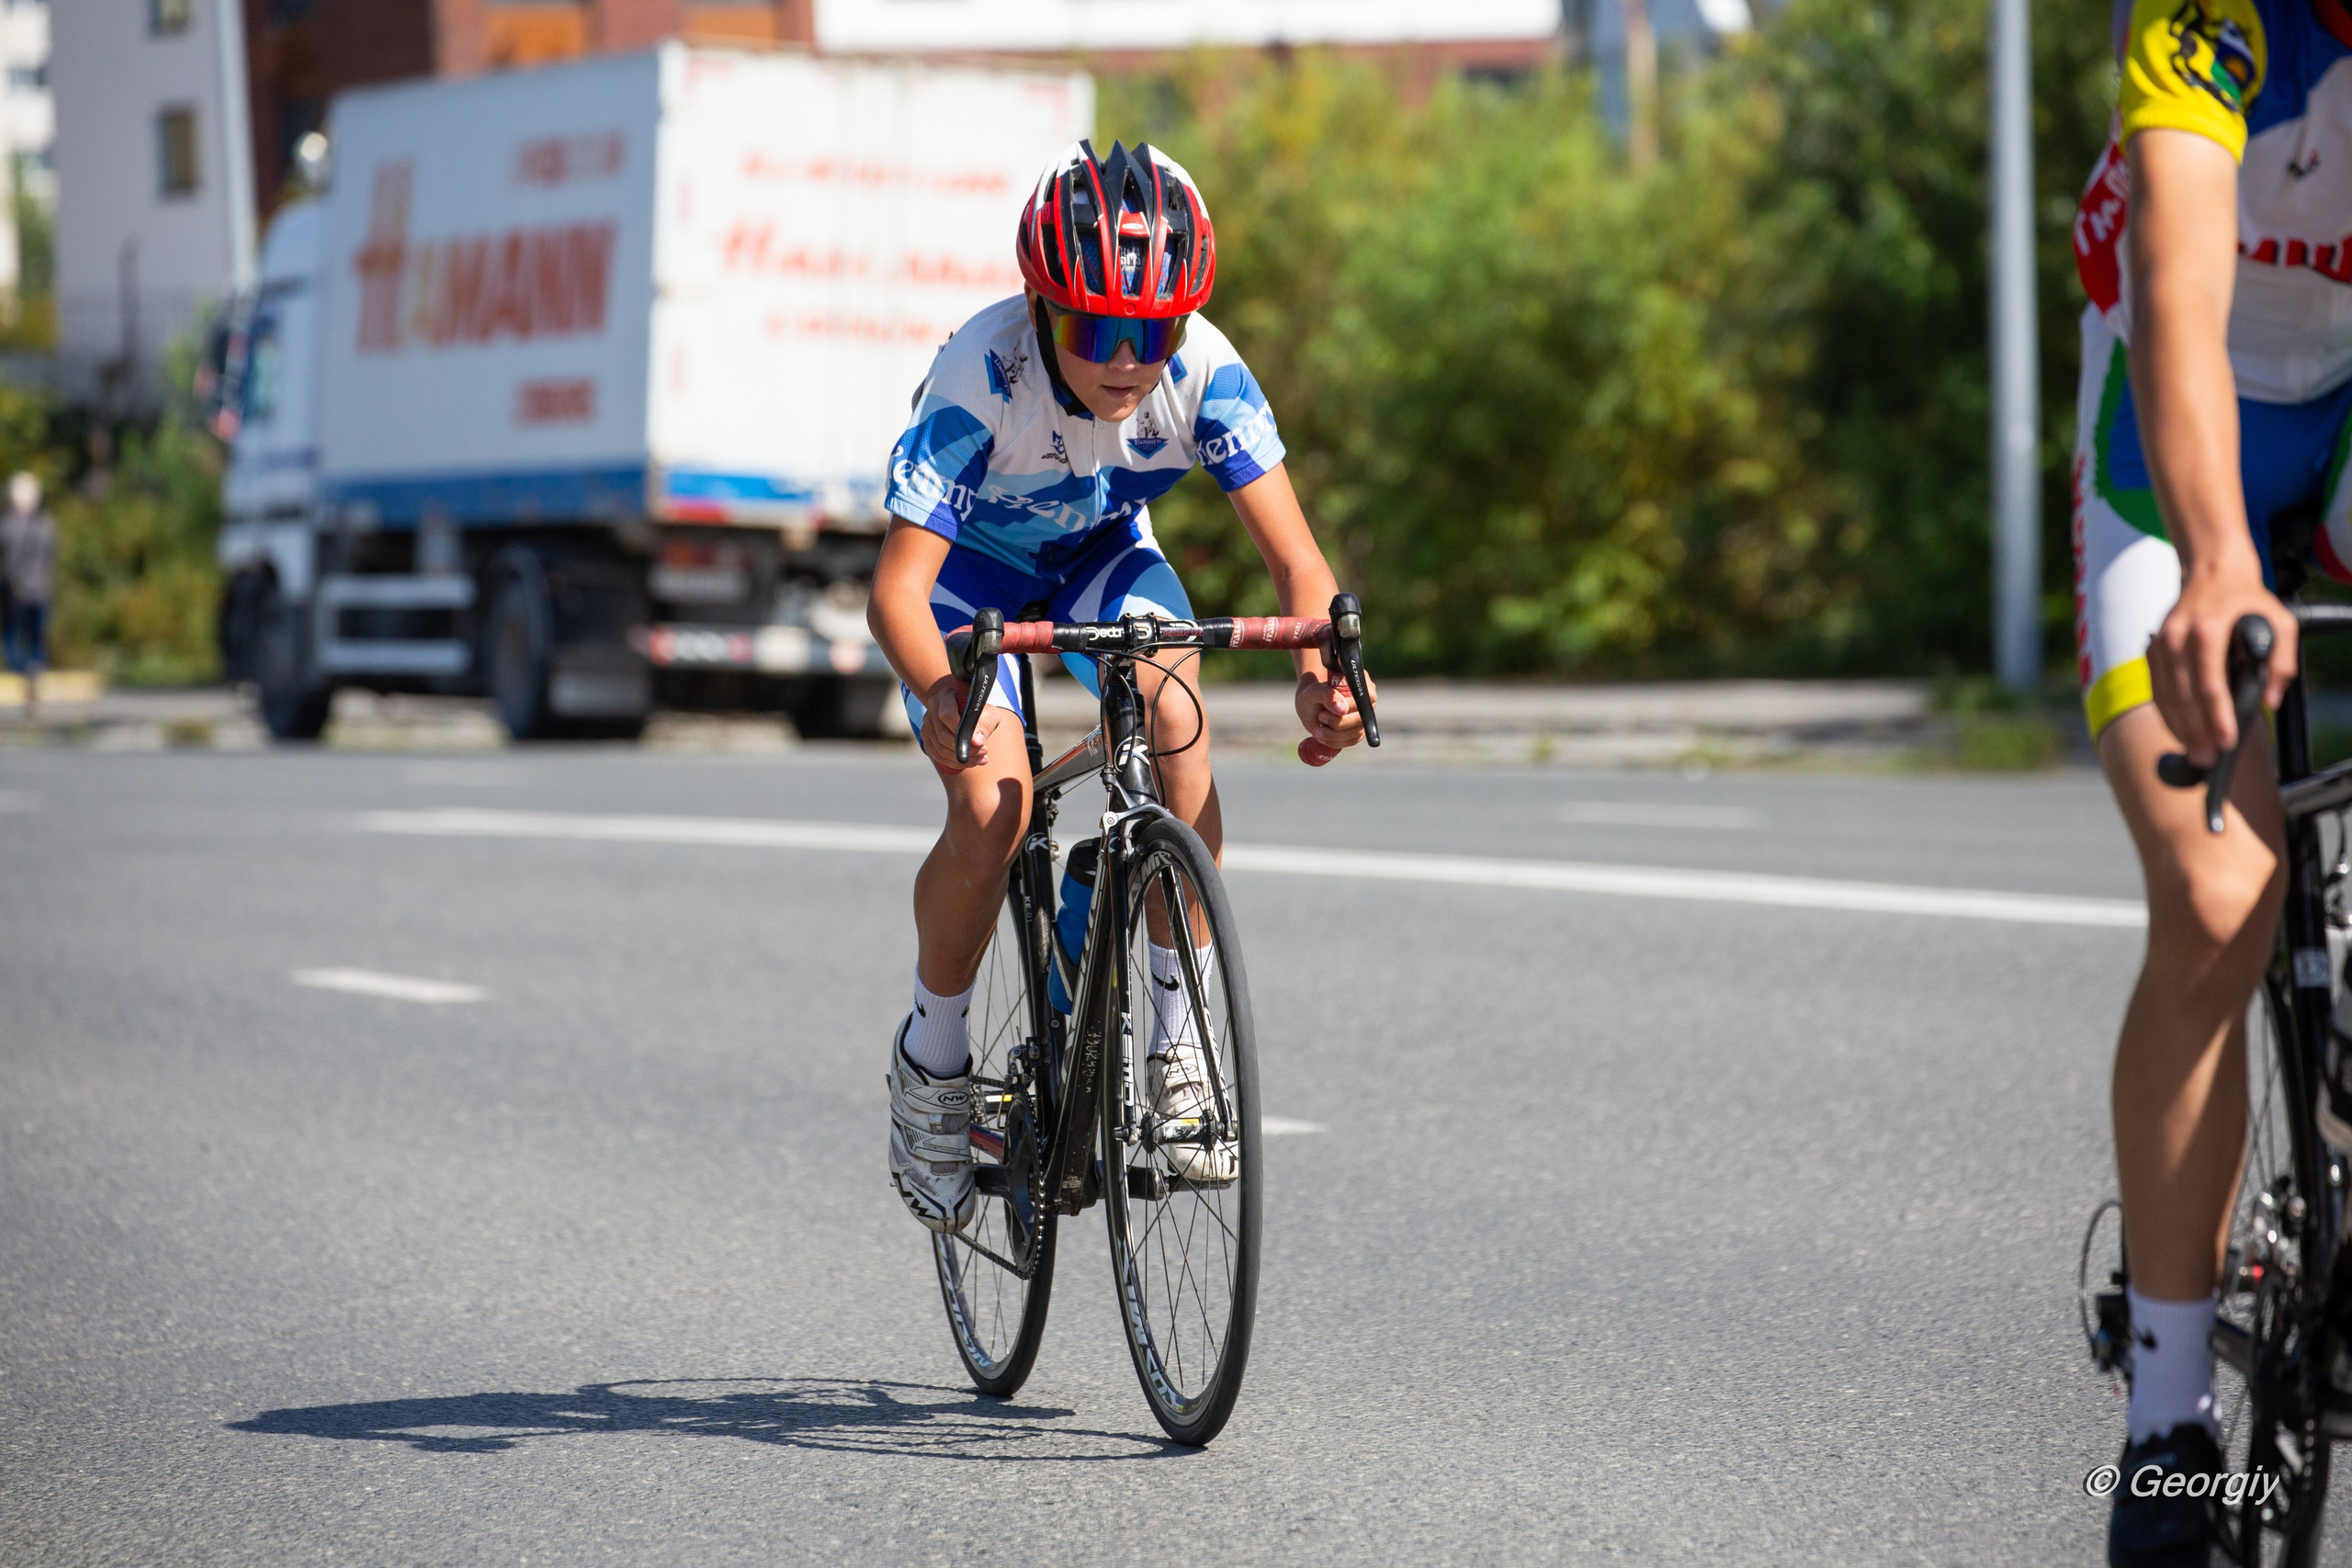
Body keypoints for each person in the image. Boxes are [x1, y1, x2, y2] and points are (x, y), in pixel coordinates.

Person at [867, 141, 1374, 1233]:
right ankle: (933, 1061)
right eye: (1095, 330)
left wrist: (1318, 671)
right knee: (994, 804)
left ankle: (1174, 1042)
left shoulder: (1203, 372)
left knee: (1178, 725)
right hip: (965, 590)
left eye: (1154, 331)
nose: (1127, 360)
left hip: (1097, 557)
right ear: (1043, 310)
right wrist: (947, 697)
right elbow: (897, 595)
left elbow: (1297, 566)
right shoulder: (978, 376)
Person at [2072, 1, 2352, 1560]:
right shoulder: (2220, 15)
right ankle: (2170, 1422)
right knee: (2217, 886)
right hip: (2183, 448)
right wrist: (2226, 563)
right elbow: (2181, 294)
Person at [0, 470, 54, 691]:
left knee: (11, 635)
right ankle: (33, 670)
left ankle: (23, 671)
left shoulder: (7, 526)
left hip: (16, 590)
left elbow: (8, 564)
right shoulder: (47, 526)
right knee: (36, 638)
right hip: (42, 589)